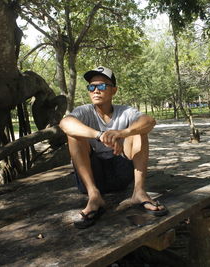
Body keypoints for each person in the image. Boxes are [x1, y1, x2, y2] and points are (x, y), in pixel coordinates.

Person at [59, 66, 167, 228]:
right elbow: (65, 124)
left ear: (114, 90)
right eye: (91, 87)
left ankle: (139, 192)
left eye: (101, 86)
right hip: (93, 176)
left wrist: (123, 133)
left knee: (139, 131)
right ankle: (94, 196)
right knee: (74, 135)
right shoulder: (83, 111)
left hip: (121, 173)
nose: (96, 90)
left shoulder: (126, 112)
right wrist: (99, 135)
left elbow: (150, 121)